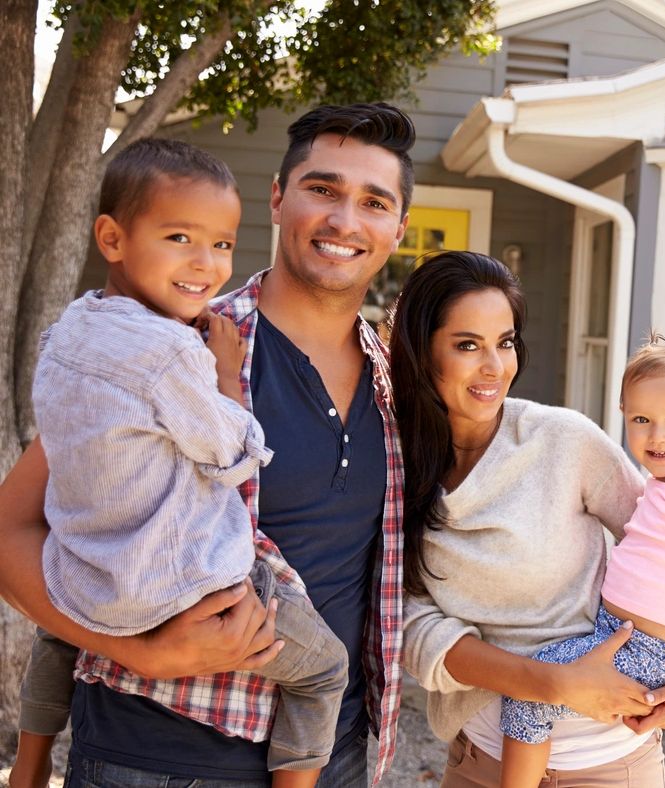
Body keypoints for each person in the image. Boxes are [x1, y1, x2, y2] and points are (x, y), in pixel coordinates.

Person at [0, 102, 413, 788]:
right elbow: (13, 527)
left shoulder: (394, 379)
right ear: (278, 199)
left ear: (397, 229)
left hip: (331, 760)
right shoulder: (175, 345)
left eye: (373, 202)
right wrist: (139, 650)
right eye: (323, 189)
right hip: (153, 761)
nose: (345, 220)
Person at [389, 251, 665, 788]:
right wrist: (548, 682)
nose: (495, 367)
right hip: (482, 762)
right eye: (468, 345)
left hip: (609, 762)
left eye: (506, 342)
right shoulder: (395, 468)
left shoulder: (565, 440)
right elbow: (408, 625)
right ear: (423, 351)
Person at [498, 336, 665, 787]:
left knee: (530, 691)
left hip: (650, 650)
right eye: (642, 419)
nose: (658, 435)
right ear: (623, 416)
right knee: (538, 678)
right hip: (625, 637)